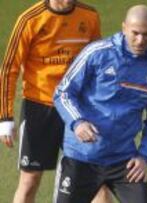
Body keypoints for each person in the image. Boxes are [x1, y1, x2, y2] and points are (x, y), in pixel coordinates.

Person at [53, 4, 147, 203]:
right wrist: (77, 122)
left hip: (124, 161)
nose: (140, 40)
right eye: (135, 33)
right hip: (82, 157)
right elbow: (63, 92)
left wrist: (144, 156)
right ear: (124, 27)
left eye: (146, 34)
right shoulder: (97, 53)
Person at [0, 0, 112, 202]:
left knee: (97, 180)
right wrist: (5, 117)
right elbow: (9, 68)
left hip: (78, 110)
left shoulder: (89, 16)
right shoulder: (29, 19)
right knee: (29, 180)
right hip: (40, 107)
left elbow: (98, 62)